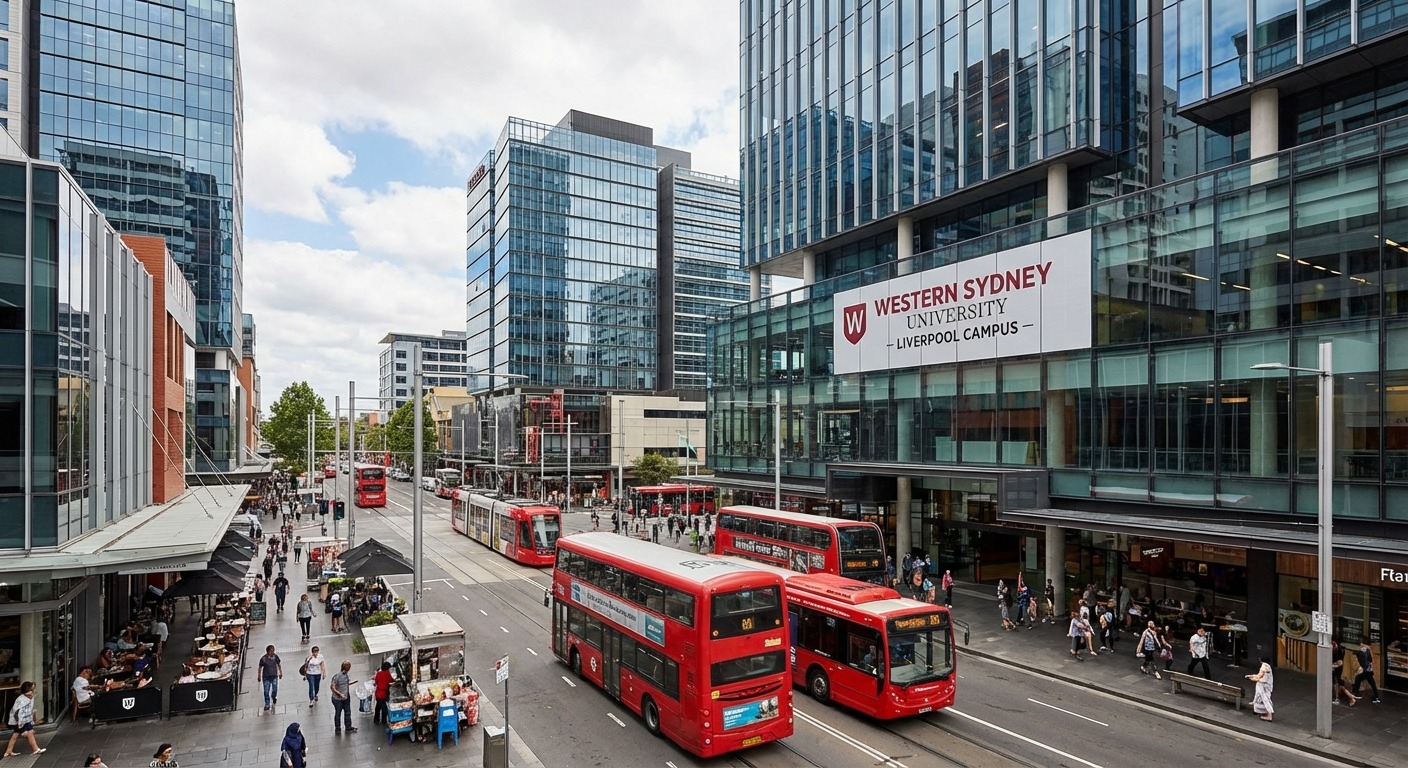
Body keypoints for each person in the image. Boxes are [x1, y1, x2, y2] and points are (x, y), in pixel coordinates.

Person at [3, 681, 45, 757]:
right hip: (20, 720)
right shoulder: (22, 700)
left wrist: (31, 719)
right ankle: (36, 749)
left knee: (16, 735)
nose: (33, 691)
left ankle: (8, 751)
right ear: (27, 691)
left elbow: (28, 710)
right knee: (29, 733)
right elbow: (18, 712)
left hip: (23, 720)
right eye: (31, 689)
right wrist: (20, 722)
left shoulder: (29, 697)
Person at [330, 659, 358, 733]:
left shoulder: (346, 675)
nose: (349, 668)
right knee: (338, 713)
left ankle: (348, 727)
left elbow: (346, 684)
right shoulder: (337, 676)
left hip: (346, 697)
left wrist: (351, 683)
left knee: (347, 712)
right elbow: (332, 687)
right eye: (348, 666)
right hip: (337, 699)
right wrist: (339, 693)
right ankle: (338, 727)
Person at [1331, 639, 1359, 706]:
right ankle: (1347, 697)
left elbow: (1340, 662)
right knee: (1339, 685)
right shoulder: (1340, 650)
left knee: (1339, 685)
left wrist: (1332, 665)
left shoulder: (1337, 653)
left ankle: (1348, 697)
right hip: (1338, 670)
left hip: (1338, 670)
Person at [1246, 657, 1275, 721]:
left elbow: (1263, 678)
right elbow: (1260, 675)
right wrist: (1252, 676)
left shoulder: (1265, 667)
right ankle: (1258, 709)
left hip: (1265, 686)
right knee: (1259, 697)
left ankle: (1269, 715)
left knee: (1265, 699)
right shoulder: (1266, 666)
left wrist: (1253, 678)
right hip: (1263, 685)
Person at [259, 645, 283, 712]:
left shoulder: (275, 657)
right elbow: (260, 667)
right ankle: (267, 704)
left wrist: (280, 672)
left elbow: (279, 664)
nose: (273, 652)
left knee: (275, 688)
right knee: (266, 691)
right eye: (271, 651)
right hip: (266, 676)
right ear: (268, 651)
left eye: (273, 650)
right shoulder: (263, 659)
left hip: (274, 675)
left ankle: (274, 696)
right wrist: (259, 676)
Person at [372, 659, 394, 724]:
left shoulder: (379, 674)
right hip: (383, 693)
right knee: (384, 708)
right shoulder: (388, 674)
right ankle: (383, 721)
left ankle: (376, 719)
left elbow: (376, 681)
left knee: (378, 706)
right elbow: (391, 681)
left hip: (378, 693)